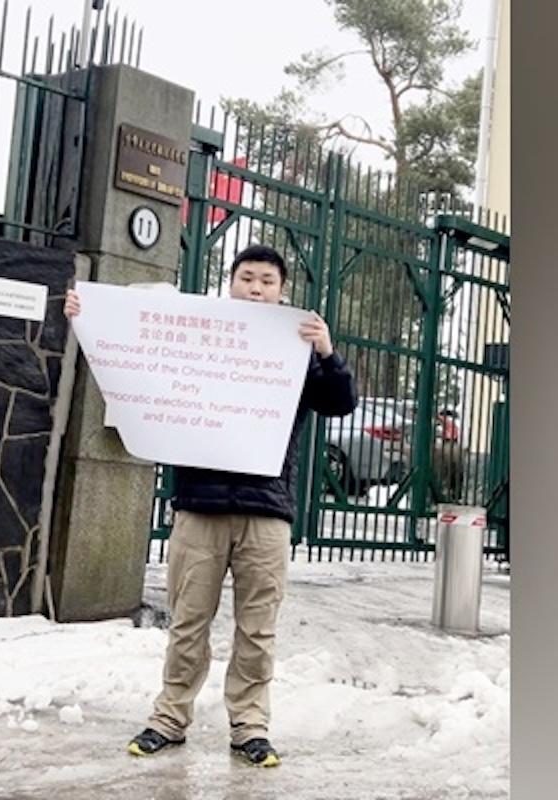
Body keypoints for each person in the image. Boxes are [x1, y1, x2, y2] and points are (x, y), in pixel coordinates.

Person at [63, 244, 357, 767]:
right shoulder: (197, 337)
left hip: (266, 511)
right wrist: (93, 321)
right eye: (247, 278)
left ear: (281, 291)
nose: (256, 288)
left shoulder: (293, 350)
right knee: (188, 621)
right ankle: (169, 718)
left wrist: (327, 354)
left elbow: (339, 403)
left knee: (258, 627)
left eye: (267, 281)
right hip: (199, 505)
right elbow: (138, 355)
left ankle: (250, 726)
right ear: (231, 284)